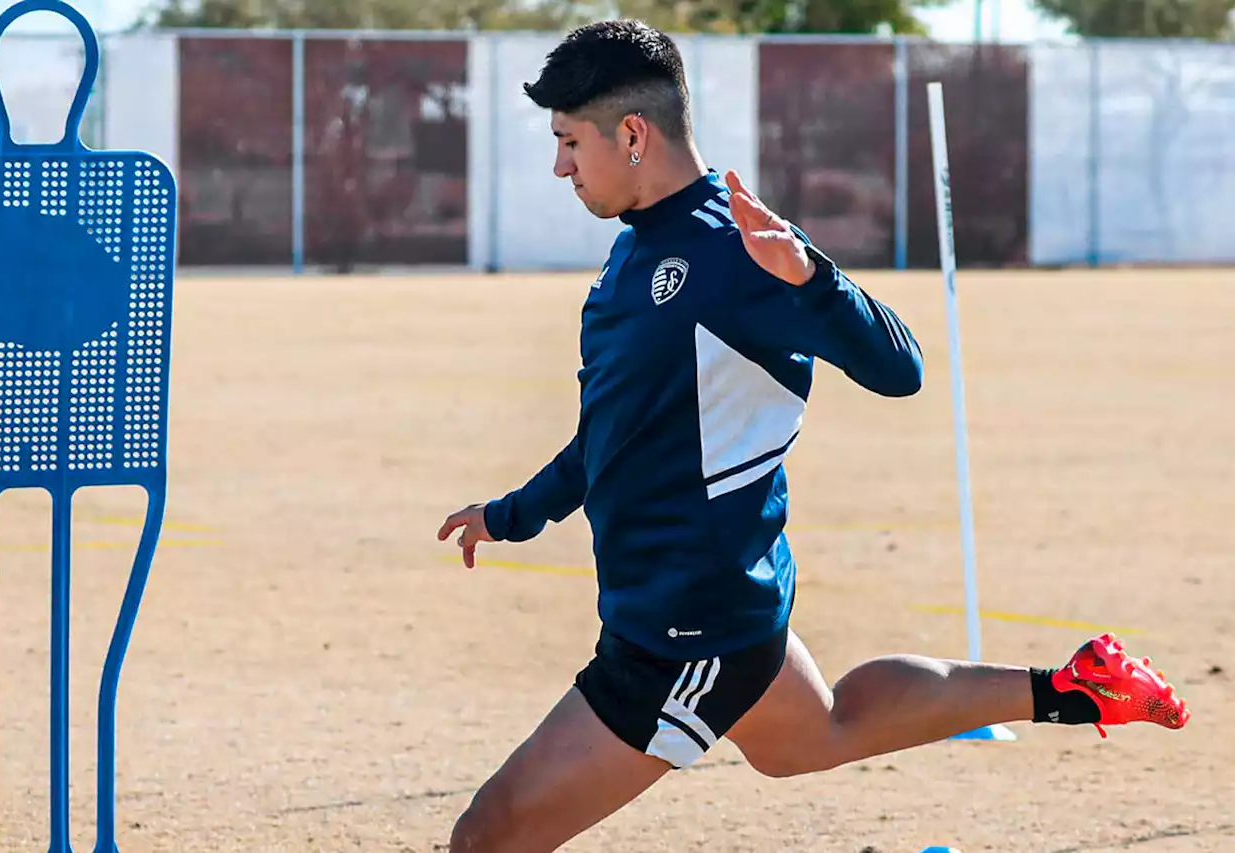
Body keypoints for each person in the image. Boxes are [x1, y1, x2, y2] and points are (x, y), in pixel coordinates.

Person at [436, 20, 1189, 853]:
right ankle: (1076, 689)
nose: (560, 166)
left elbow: (900, 368)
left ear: (634, 134)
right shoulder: (637, 248)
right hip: (717, 602)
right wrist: (511, 513)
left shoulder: (739, 248)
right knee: (819, 732)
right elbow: (610, 434)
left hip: (688, 628)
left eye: (569, 141)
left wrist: (815, 278)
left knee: (487, 837)